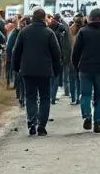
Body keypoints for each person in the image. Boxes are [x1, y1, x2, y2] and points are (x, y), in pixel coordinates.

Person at [10, 8, 62, 136]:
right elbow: (57, 54)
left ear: (33, 18)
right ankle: (42, 125)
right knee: (45, 97)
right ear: (44, 18)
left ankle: (32, 123)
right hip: (45, 71)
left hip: (28, 71)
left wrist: (16, 68)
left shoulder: (24, 32)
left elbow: (16, 52)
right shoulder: (49, 33)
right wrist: (56, 70)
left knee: (30, 96)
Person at [72, 8, 100, 133]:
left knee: (85, 94)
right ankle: (97, 122)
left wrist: (76, 67)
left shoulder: (83, 31)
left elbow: (75, 52)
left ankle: (87, 115)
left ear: (90, 18)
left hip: (85, 69)